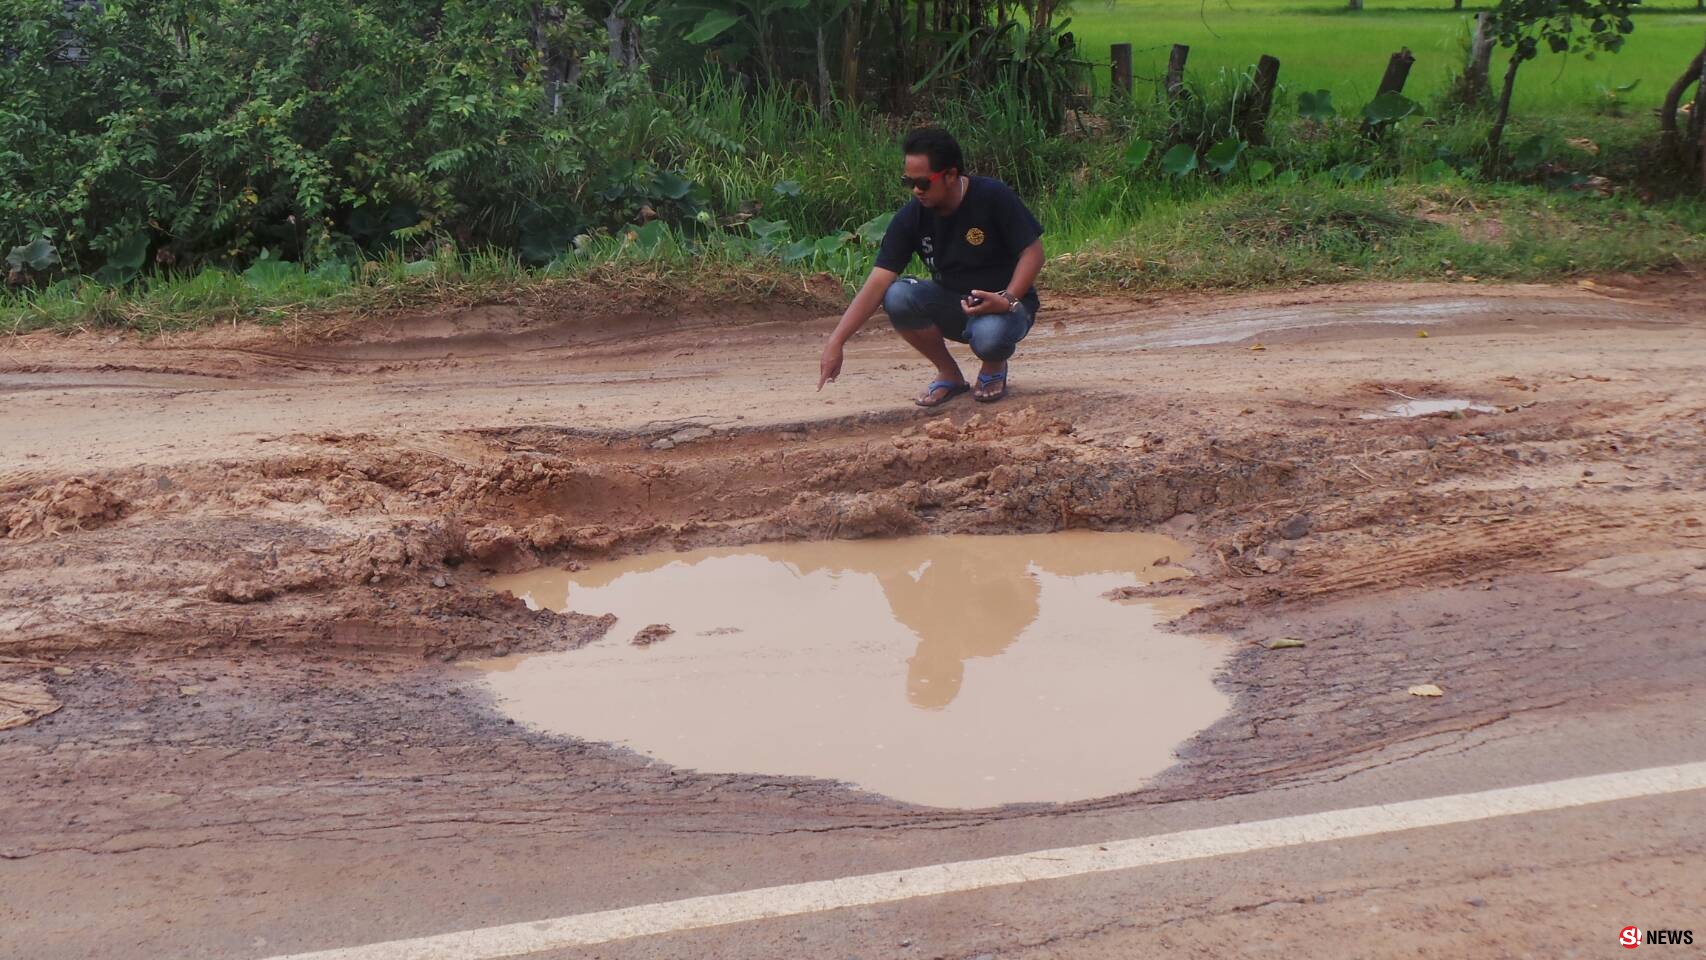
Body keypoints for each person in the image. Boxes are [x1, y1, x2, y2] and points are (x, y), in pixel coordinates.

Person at [816, 128, 1045, 405]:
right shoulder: (911, 218)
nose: (915, 190)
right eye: (908, 182)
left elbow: (1033, 253)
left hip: (1007, 306)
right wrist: (837, 341)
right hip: (953, 303)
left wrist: (1006, 298)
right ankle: (949, 374)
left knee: (989, 337)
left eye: (923, 183)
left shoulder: (993, 196)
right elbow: (878, 281)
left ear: (950, 175)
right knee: (897, 295)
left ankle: (994, 365)